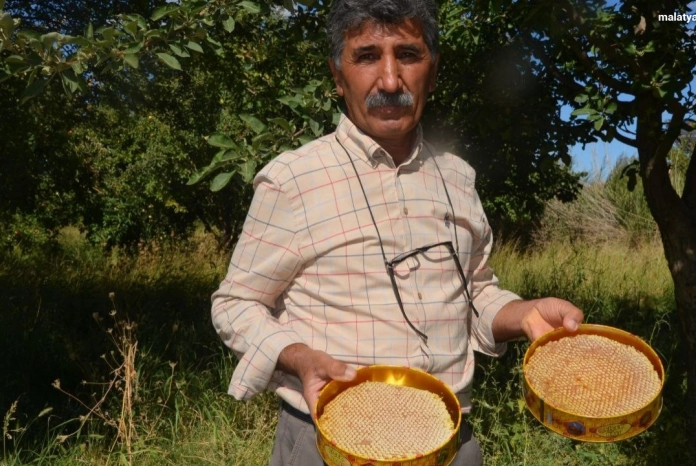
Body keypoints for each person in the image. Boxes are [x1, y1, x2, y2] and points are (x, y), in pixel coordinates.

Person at [210, 0, 584, 464]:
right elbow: (235, 304)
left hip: (450, 441)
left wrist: (525, 313)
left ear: (433, 68)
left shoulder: (457, 178)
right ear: (337, 74)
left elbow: (475, 293)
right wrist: (296, 355)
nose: (390, 80)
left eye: (408, 54)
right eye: (367, 56)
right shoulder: (293, 179)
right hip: (332, 444)